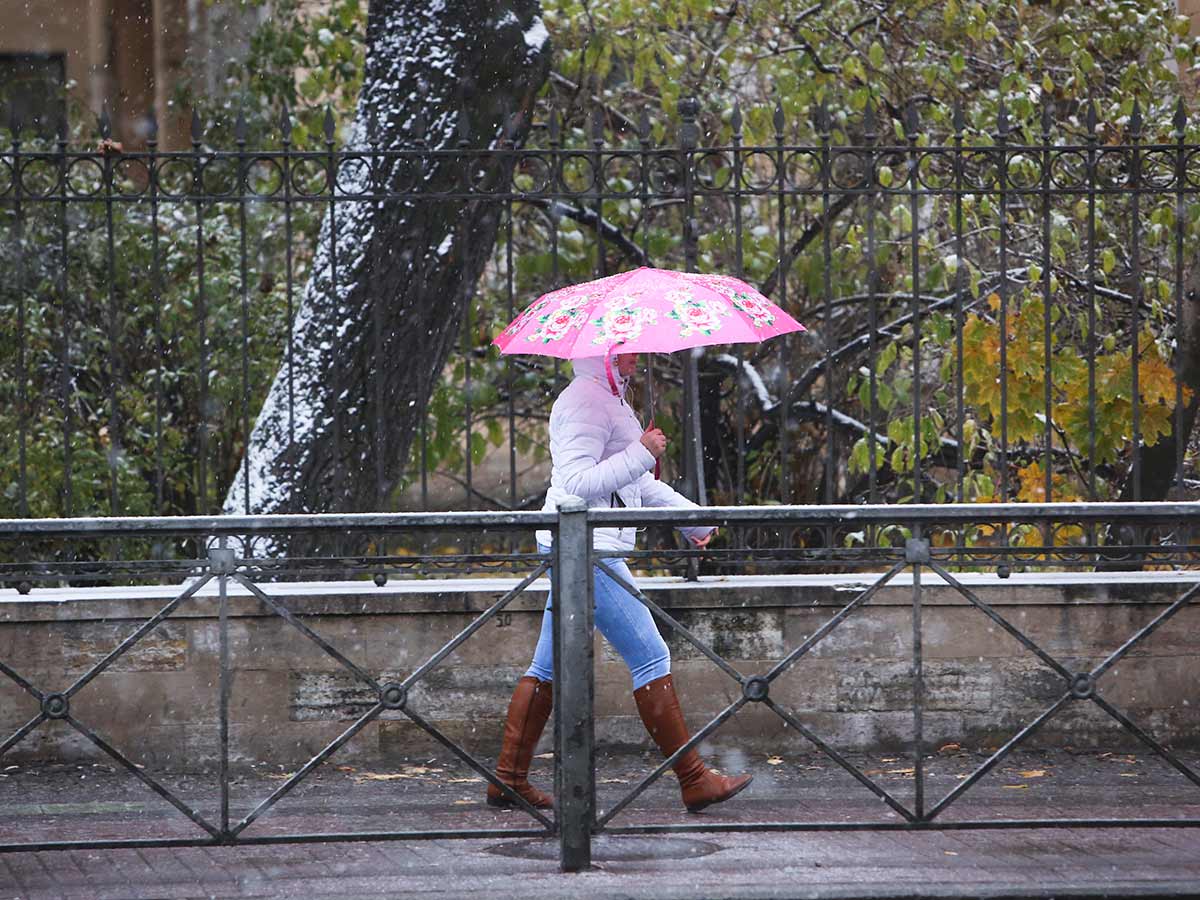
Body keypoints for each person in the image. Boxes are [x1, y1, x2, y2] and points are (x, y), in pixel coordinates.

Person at [487, 353, 753, 813]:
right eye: (624, 346)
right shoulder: (587, 401)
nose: (636, 354)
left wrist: (691, 521)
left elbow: (634, 487)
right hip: (585, 544)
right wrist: (641, 452)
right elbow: (576, 482)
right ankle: (693, 780)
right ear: (601, 352)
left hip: (581, 541)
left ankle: (509, 779)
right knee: (651, 655)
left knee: (547, 666)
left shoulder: (611, 400)